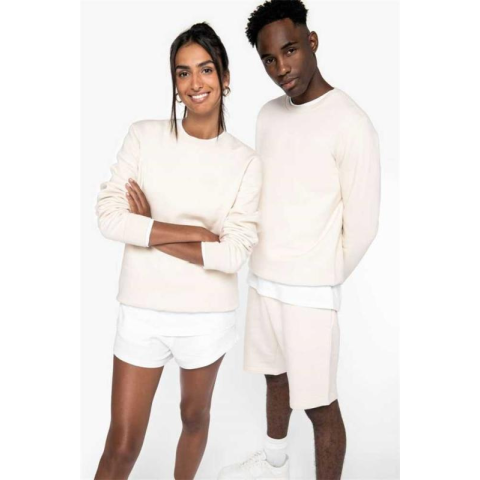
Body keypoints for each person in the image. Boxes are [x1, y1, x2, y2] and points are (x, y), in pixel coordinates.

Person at [219, 1, 380, 479]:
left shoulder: (350, 122)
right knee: (275, 380)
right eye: (269, 59)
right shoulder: (268, 116)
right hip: (263, 280)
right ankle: (274, 467)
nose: (281, 68)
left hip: (310, 293)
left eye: (289, 50)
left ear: (312, 42)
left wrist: (318, 273)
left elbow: (364, 226)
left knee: (320, 405)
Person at [94, 22, 262, 480]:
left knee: (194, 416)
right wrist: (196, 235)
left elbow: (233, 254)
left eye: (205, 69)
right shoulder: (143, 137)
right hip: (142, 310)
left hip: (207, 317)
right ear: (174, 82)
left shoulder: (245, 161)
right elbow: (109, 218)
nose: (195, 82)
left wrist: (148, 228)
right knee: (122, 445)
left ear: (225, 77)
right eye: (183, 72)